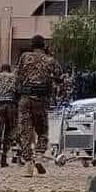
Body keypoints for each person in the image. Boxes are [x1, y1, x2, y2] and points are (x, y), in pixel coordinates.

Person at [15, 35, 62, 177]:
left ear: (32, 45)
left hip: (25, 99)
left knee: (25, 132)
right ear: (44, 45)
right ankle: (39, 157)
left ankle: (28, 164)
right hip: (41, 100)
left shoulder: (24, 57)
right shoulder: (50, 60)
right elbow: (60, 77)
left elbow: (17, 77)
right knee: (42, 131)